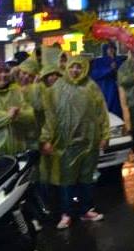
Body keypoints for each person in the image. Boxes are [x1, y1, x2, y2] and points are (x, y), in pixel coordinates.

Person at [41, 54, 109, 230]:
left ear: (85, 68)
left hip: (89, 141)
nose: (75, 70)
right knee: (67, 180)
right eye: (72, 66)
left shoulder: (91, 87)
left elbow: (102, 112)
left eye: (79, 67)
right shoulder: (57, 88)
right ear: (67, 68)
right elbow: (50, 116)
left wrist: (105, 135)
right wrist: (46, 139)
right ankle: (67, 212)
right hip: (65, 143)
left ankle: (86, 209)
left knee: (86, 178)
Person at [90, 42, 124, 118]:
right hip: (104, 91)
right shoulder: (98, 61)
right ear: (105, 49)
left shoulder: (119, 61)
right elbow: (94, 74)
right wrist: (109, 69)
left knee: (117, 116)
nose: (111, 50)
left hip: (118, 93)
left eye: (113, 48)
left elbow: (123, 75)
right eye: (109, 48)